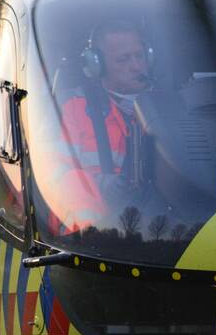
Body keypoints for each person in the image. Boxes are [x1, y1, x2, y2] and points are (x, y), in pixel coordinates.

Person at [46, 20, 154, 235]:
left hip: (165, 223)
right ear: (96, 66)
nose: (136, 66)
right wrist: (99, 184)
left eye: (139, 56)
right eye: (123, 59)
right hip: (98, 236)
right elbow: (55, 173)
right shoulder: (73, 108)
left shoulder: (171, 105)